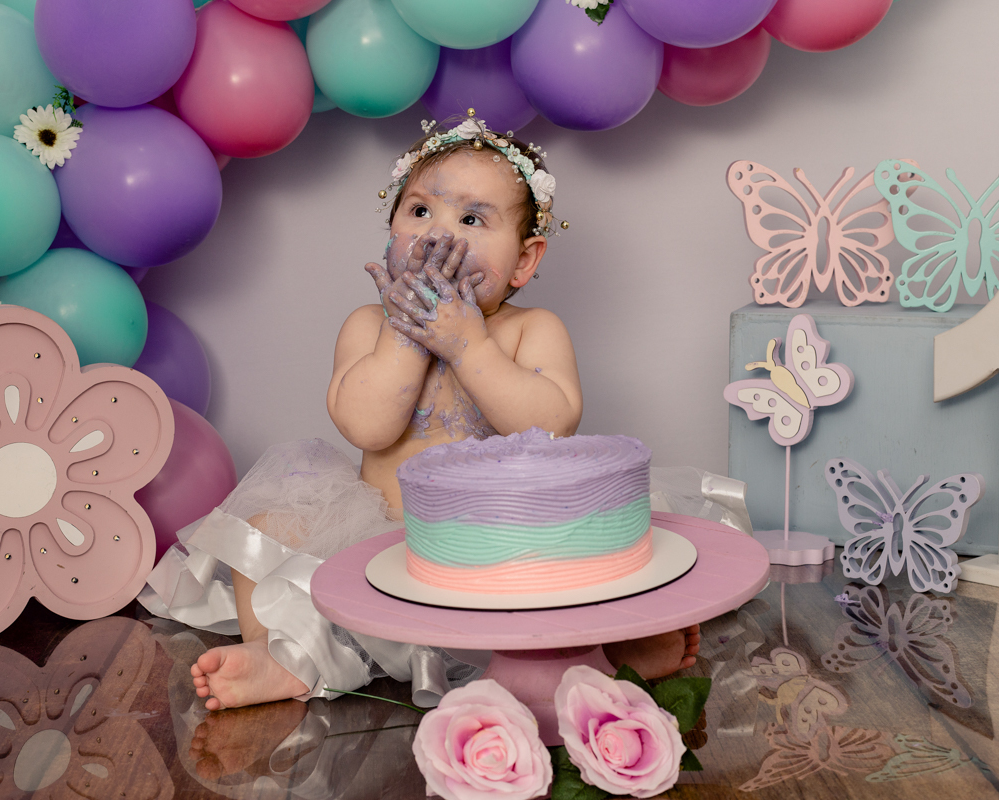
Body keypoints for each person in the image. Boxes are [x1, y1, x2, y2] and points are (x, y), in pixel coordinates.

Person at [140, 116, 700, 712]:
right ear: (391, 232)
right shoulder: (368, 326)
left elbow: (552, 426)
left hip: (500, 547)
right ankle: (279, 653)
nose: (439, 234)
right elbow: (367, 426)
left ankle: (613, 650)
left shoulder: (531, 331)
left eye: (472, 219)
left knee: (584, 567)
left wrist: (468, 345)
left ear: (523, 261)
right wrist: (406, 335)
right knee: (268, 526)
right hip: (383, 538)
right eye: (420, 210)